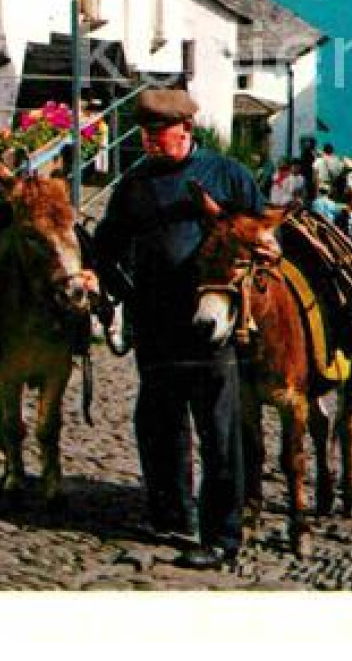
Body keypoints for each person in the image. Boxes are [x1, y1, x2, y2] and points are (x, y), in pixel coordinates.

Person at [94, 88, 263, 570]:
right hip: (155, 325)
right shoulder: (135, 184)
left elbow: (260, 237)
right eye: (144, 133)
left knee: (219, 430)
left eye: (158, 133)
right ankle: (171, 517)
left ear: (186, 129)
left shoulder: (228, 175)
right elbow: (106, 246)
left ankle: (222, 535)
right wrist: (115, 286)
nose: (149, 141)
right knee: (159, 424)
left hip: (210, 327)